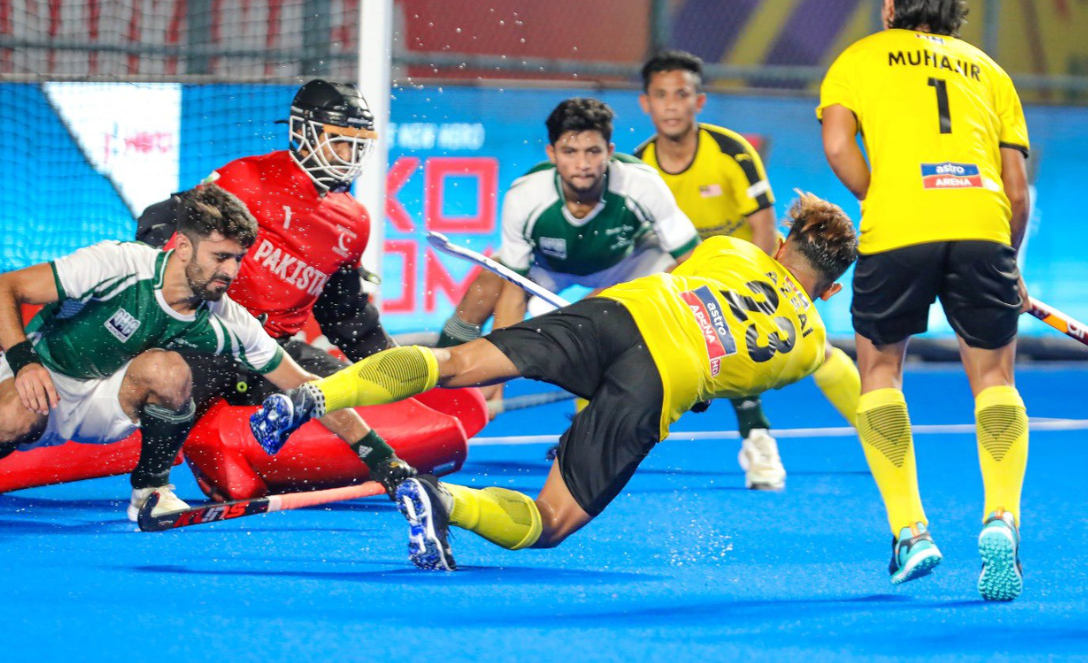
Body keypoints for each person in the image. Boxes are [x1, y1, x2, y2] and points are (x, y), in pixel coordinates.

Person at [249, 193, 858, 571]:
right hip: (657, 381)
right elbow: (718, 368)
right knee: (548, 521)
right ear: (831, 291)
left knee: (454, 363)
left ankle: (318, 393)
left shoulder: (732, 249)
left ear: (782, 244)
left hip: (618, 314)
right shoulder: (807, 348)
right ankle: (443, 501)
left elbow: (694, 297)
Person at [820, 0, 1031, 601]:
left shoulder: (856, 59)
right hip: (981, 227)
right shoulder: (989, 70)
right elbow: (1017, 188)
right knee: (993, 377)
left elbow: (835, 144)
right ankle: (1001, 516)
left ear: (890, 5)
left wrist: (877, 197)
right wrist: (1010, 264)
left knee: (879, 372)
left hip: (898, 225)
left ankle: (910, 531)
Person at [0, 184, 321, 520]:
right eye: (221, 257)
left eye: (238, 259)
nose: (231, 272)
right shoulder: (117, 264)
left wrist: (379, 460)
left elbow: (304, 386)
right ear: (183, 247)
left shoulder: (226, 318)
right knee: (11, 414)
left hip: (110, 399)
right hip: (46, 379)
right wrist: (24, 364)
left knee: (169, 370)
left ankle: (151, 491)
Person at [136, 79, 415, 496]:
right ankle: (157, 482)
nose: (349, 156)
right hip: (210, 337)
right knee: (173, 382)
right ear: (303, 133)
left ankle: (248, 455)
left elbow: (345, 315)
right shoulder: (247, 178)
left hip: (276, 351)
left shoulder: (355, 222)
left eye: (357, 145)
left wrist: (400, 371)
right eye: (338, 142)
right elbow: (163, 221)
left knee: (349, 395)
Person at [636, 50, 863, 490]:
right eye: (660, 95)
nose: (670, 105)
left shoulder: (732, 153)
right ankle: (592, 422)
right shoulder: (640, 167)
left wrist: (751, 288)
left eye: (681, 94)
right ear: (646, 104)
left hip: (751, 276)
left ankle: (878, 434)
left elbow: (763, 229)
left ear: (698, 102)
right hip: (684, 284)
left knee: (817, 354)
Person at [434, 97, 700, 414]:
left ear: (610, 152)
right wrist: (497, 374)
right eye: (570, 152)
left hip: (626, 265)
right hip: (551, 268)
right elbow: (514, 291)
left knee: (631, 295)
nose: (583, 164)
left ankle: (591, 410)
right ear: (552, 154)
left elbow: (693, 261)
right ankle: (437, 382)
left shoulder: (642, 185)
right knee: (490, 280)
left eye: (593, 151)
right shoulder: (526, 196)